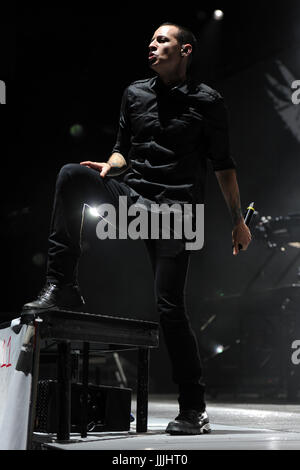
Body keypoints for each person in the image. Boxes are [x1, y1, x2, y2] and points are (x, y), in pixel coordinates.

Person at [22, 22, 251, 435]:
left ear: (185, 50)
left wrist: (238, 221)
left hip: (177, 211)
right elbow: (122, 150)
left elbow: (224, 166)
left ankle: (193, 409)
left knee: (169, 307)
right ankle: (62, 283)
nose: (153, 44)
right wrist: (110, 165)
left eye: (163, 39)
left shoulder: (208, 102)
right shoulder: (134, 93)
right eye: (151, 39)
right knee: (72, 175)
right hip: (133, 195)